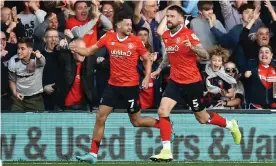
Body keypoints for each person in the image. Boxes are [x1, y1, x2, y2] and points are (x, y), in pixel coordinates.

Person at [69, 13, 168, 164]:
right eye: (127, 25)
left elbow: (147, 58)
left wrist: (147, 76)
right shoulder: (108, 37)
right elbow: (89, 51)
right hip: (112, 86)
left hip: (130, 87)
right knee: (100, 117)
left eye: (130, 25)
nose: (130, 27)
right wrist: (75, 49)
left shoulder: (135, 41)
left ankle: (165, 128)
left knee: (136, 121)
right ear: (118, 26)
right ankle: (93, 154)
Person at [149, 5, 241, 162]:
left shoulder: (188, 34)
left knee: (203, 118)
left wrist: (192, 47)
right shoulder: (166, 36)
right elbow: (168, 55)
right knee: (162, 110)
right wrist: (159, 69)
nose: (168, 19)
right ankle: (166, 151)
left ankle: (230, 124)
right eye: (167, 16)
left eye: (171, 16)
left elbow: (205, 53)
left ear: (180, 19)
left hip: (192, 83)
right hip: (175, 82)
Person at [8, 37, 45, 111]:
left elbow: (42, 62)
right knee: (15, 121)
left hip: (35, 99)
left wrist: (38, 56)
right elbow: (12, 80)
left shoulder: (38, 59)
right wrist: (15, 93)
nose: (19, 51)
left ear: (30, 49)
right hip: (18, 100)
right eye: (18, 48)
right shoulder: (13, 61)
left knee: (37, 121)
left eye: (22, 49)